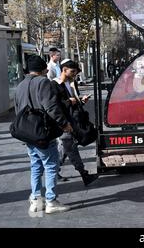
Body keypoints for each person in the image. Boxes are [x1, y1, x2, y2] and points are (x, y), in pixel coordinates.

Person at [14, 55, 72, 214]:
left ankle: (35, 200)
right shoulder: (43, 82)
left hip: (27, 133)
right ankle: (51, 201)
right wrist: (64, 124)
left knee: (35, 166)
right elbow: (51, 107)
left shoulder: (20, 85)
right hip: (43, 132)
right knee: (51, 165)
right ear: (42, 69)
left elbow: (17, 109)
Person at [50, 59, 98, 187]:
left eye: (75, 72)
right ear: (64, 70)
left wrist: (81, 101)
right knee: (70, 147)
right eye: (72, 72)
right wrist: (68, 102)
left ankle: (54, 171)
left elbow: (74, 102)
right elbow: (54, 105)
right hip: (64, 122)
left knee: (65, 148)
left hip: (75, 119)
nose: (74, 74)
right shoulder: (54, 84)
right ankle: (84, 174)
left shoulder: (72, 83)